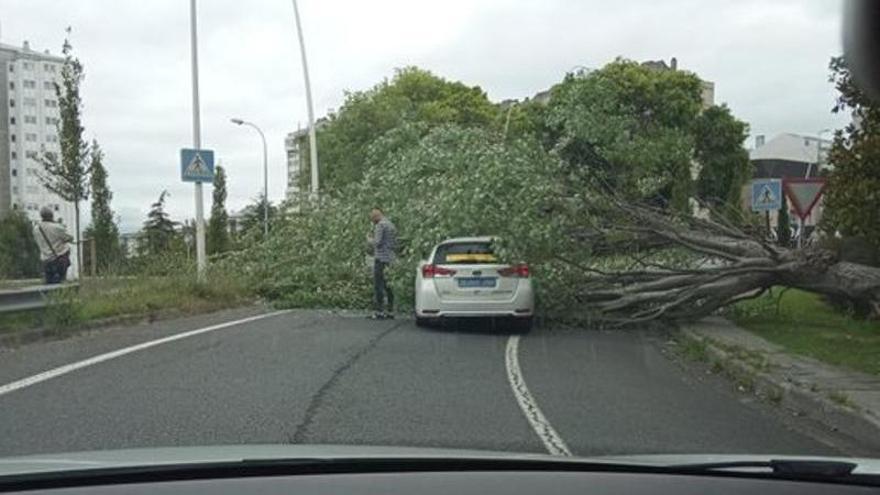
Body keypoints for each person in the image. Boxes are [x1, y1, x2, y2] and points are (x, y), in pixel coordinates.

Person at [366, 207, 397, 319]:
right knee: (388, 285)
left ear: (376, 216)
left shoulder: (380, 225)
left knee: (378, 285)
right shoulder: (390, 224)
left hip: (381, 258)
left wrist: (369, 239)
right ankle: (390, 310)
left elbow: (377, 242)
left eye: (372, 217)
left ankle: (379, 311)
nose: (372, 220)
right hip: (390, 258)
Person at [33, 206, 73, 284]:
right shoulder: (57, 227)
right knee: (61, 281)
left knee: (49, 282)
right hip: (59, 258)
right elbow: (70, 238)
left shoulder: (36, 229)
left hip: (45, 259)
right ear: (51, 216)